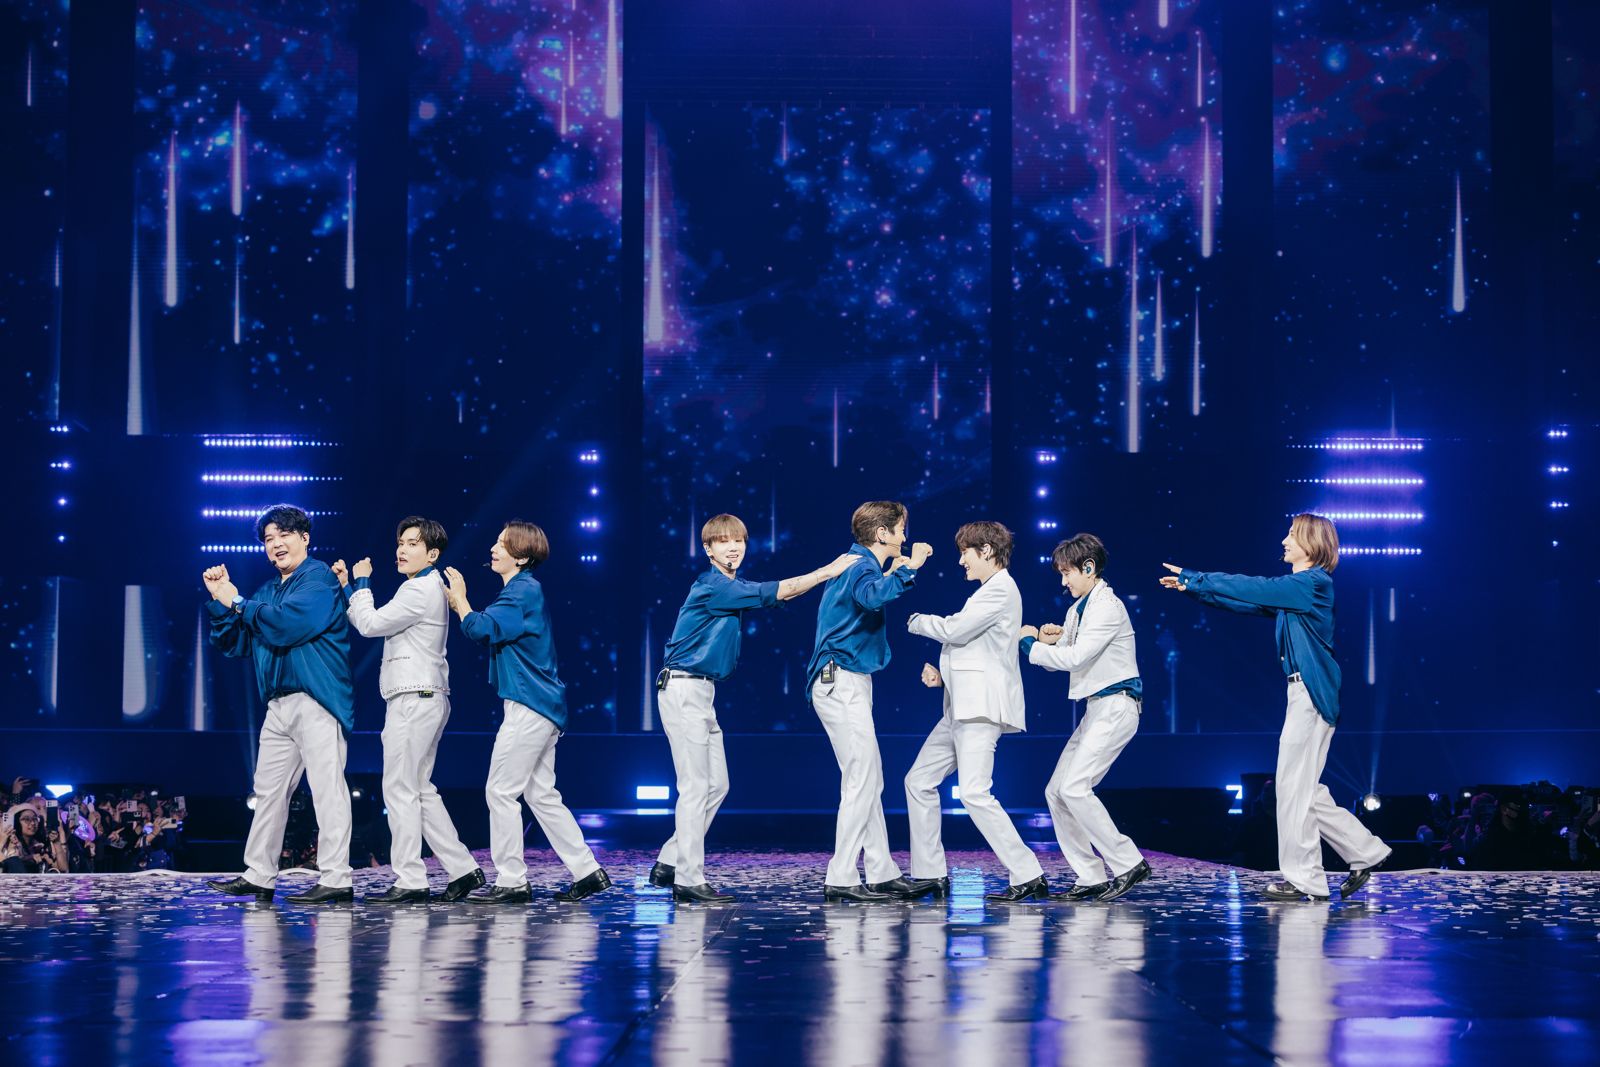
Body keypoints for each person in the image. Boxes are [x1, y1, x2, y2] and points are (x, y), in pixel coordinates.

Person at [1161, 514, 1391, 901]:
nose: (1284, 540)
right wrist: (1194, 589)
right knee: (1305, 790)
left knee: (1292, 790)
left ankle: (1305, 878)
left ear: (1310, 543)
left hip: (1310, 693)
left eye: (1291, 535)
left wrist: (1197, 577)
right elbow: (1247, 603)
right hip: (1304, 693)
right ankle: (1365, 851)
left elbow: (1255, 588)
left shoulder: (1312, 584)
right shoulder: (1300, 591)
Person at [651, 514, 856, 904]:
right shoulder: (712, 586)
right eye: (723, 541)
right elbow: (779, 590)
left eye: (739, 540)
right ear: (708, 549)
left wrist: (819, 578)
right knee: (695, 787)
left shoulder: (732, 585)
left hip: (701, 691)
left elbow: (777, 593)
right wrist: (827, 571)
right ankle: (688, 879)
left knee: (717, 785)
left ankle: (670, 860)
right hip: (684, 688)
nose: (733, 547)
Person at [445, 521, 611, 904]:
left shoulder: (521, 591)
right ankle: (587, 871)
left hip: (529, 705)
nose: (493, 548)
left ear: (520, 557)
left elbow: (482, 629)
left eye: (502, 544)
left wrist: (461, 601)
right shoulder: (521, 591)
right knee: (541, 794)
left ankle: (512, 880)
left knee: (500, 791)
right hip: (541, 706)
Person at [203, 504, 357, 904]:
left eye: (284, 535)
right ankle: (260, 874)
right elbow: (235, 642)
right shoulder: (267, 591)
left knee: (327, 789)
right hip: (278, 704)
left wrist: (238, 602)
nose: (276, 544)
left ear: (305, 538)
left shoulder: (319, 579)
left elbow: (288, 624)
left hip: (317, 700)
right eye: (269, 539)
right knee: (268, 791)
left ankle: (337, 877)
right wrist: (221, 602)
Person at [335, 516, 485, 904]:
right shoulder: (423, 586)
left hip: (413, 698)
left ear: (432, 554)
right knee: (419, 789)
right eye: (400, 543)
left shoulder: (417, 589)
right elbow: (373, 621)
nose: (402, 550)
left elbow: (369, 624)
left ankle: (411, 879)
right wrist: (350, 588)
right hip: (425, 696)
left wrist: (362, 583)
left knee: (400, 789)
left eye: (412, 544)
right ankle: (463, 869)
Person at [904, 521, 1047, 903]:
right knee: (918, 781)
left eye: (965, 553)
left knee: (974, 793)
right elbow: (979, 650)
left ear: (986, 550)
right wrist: (943, 679)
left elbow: (956, 630)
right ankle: (930, 873)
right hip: (960, 707)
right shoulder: (988, 591)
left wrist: (916, 621)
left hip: (980, 709)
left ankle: (1028, 873)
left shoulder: (1000, 589)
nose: (961, 561)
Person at [806, 501, 934, 902]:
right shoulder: (860, 566)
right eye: (901, 530)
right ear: (883, 534)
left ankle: (881, 871)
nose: (905, 537)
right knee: (863, 777)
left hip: (847, 679)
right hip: (840, 679)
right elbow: (872, 596)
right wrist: (911, 567)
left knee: (868, 778)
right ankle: (842, 875)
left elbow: (872, 592)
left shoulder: (858, 564)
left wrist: (895, 570)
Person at [1019, 533, 1151, 902]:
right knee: (1057, 792)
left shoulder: (1107, 607)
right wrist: (1046, 642)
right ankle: (1090, 875)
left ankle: (1129, 863)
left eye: (1067, 573)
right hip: (1096, 708)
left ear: (1089, 568)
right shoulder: (1078, 609)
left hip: (1117, 705)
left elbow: (1075, 659)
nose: (1064, 581)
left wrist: (1028, 644)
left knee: (1075, 787)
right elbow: (1062, 657)